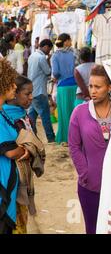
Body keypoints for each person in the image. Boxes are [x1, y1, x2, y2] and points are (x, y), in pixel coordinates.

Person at [68, 65, 111, 234]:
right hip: (90, 186)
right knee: (93, 229)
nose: (93, 91)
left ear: (109, 88)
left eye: (98, 87)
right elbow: (74, 146)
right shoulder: (79, 112)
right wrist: (84, 172)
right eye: (91, 86)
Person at [3, 75, 38, 234]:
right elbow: (12, 151)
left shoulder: (24, 116)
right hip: (11, 181)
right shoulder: (7, 117)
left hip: (22, 177)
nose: (31, 97)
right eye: (27, 93)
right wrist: (27, 150)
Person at [0, 59, 29, 234]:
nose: (14, 87)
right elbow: (11, 151)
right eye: (10, 82)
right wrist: (25, 149)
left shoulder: (3, 113)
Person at [27, 39, 56, 143]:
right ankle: (51, 138)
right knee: (45, 117)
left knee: (32, 117)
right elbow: (48, 72)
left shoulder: (32, 56)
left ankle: (32, 138)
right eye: (49, 49)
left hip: (31, 91)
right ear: (45, 47)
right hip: (39, 91)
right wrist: (49, 59)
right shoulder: (41, 57)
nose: (49, 51)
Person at [51, 33, 77, 145]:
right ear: (65, 41)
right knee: (74, 112)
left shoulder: (55, 55)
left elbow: (55, 72)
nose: (71, 42)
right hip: (75, 85)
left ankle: (66, 139)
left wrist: (55, 78)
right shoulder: (74, 53)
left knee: (64, 113)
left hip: (63, 87)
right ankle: (76, 137)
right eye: (69, 40)